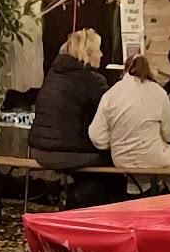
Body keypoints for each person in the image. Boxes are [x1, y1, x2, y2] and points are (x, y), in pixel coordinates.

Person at [28, 30, 119, 207]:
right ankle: (80, 203)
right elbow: (110, 115)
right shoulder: (93, 80)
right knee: (116, 162)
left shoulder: (53, 75)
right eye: (98, 50)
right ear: (88, 53)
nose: (101, 54)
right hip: (68, 153)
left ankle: (74, 200)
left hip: (40, 151)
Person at [90, 54, 170, 170]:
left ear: (125, 69)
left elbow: (97, 136)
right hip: (154, 157)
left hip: (120, 159)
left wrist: (115, 142)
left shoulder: (111, 93)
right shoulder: (158, 92)